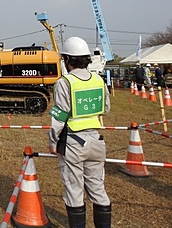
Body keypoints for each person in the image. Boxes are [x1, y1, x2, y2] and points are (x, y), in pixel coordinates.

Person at [48, 37, 111, 228]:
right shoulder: (99, 80)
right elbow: (106, 108)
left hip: (73, 142)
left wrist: (52, 142)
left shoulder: (64, 82)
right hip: (97, 141)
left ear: (67, 59)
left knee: (74, 190)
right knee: (98, 189)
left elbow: (59, 117)